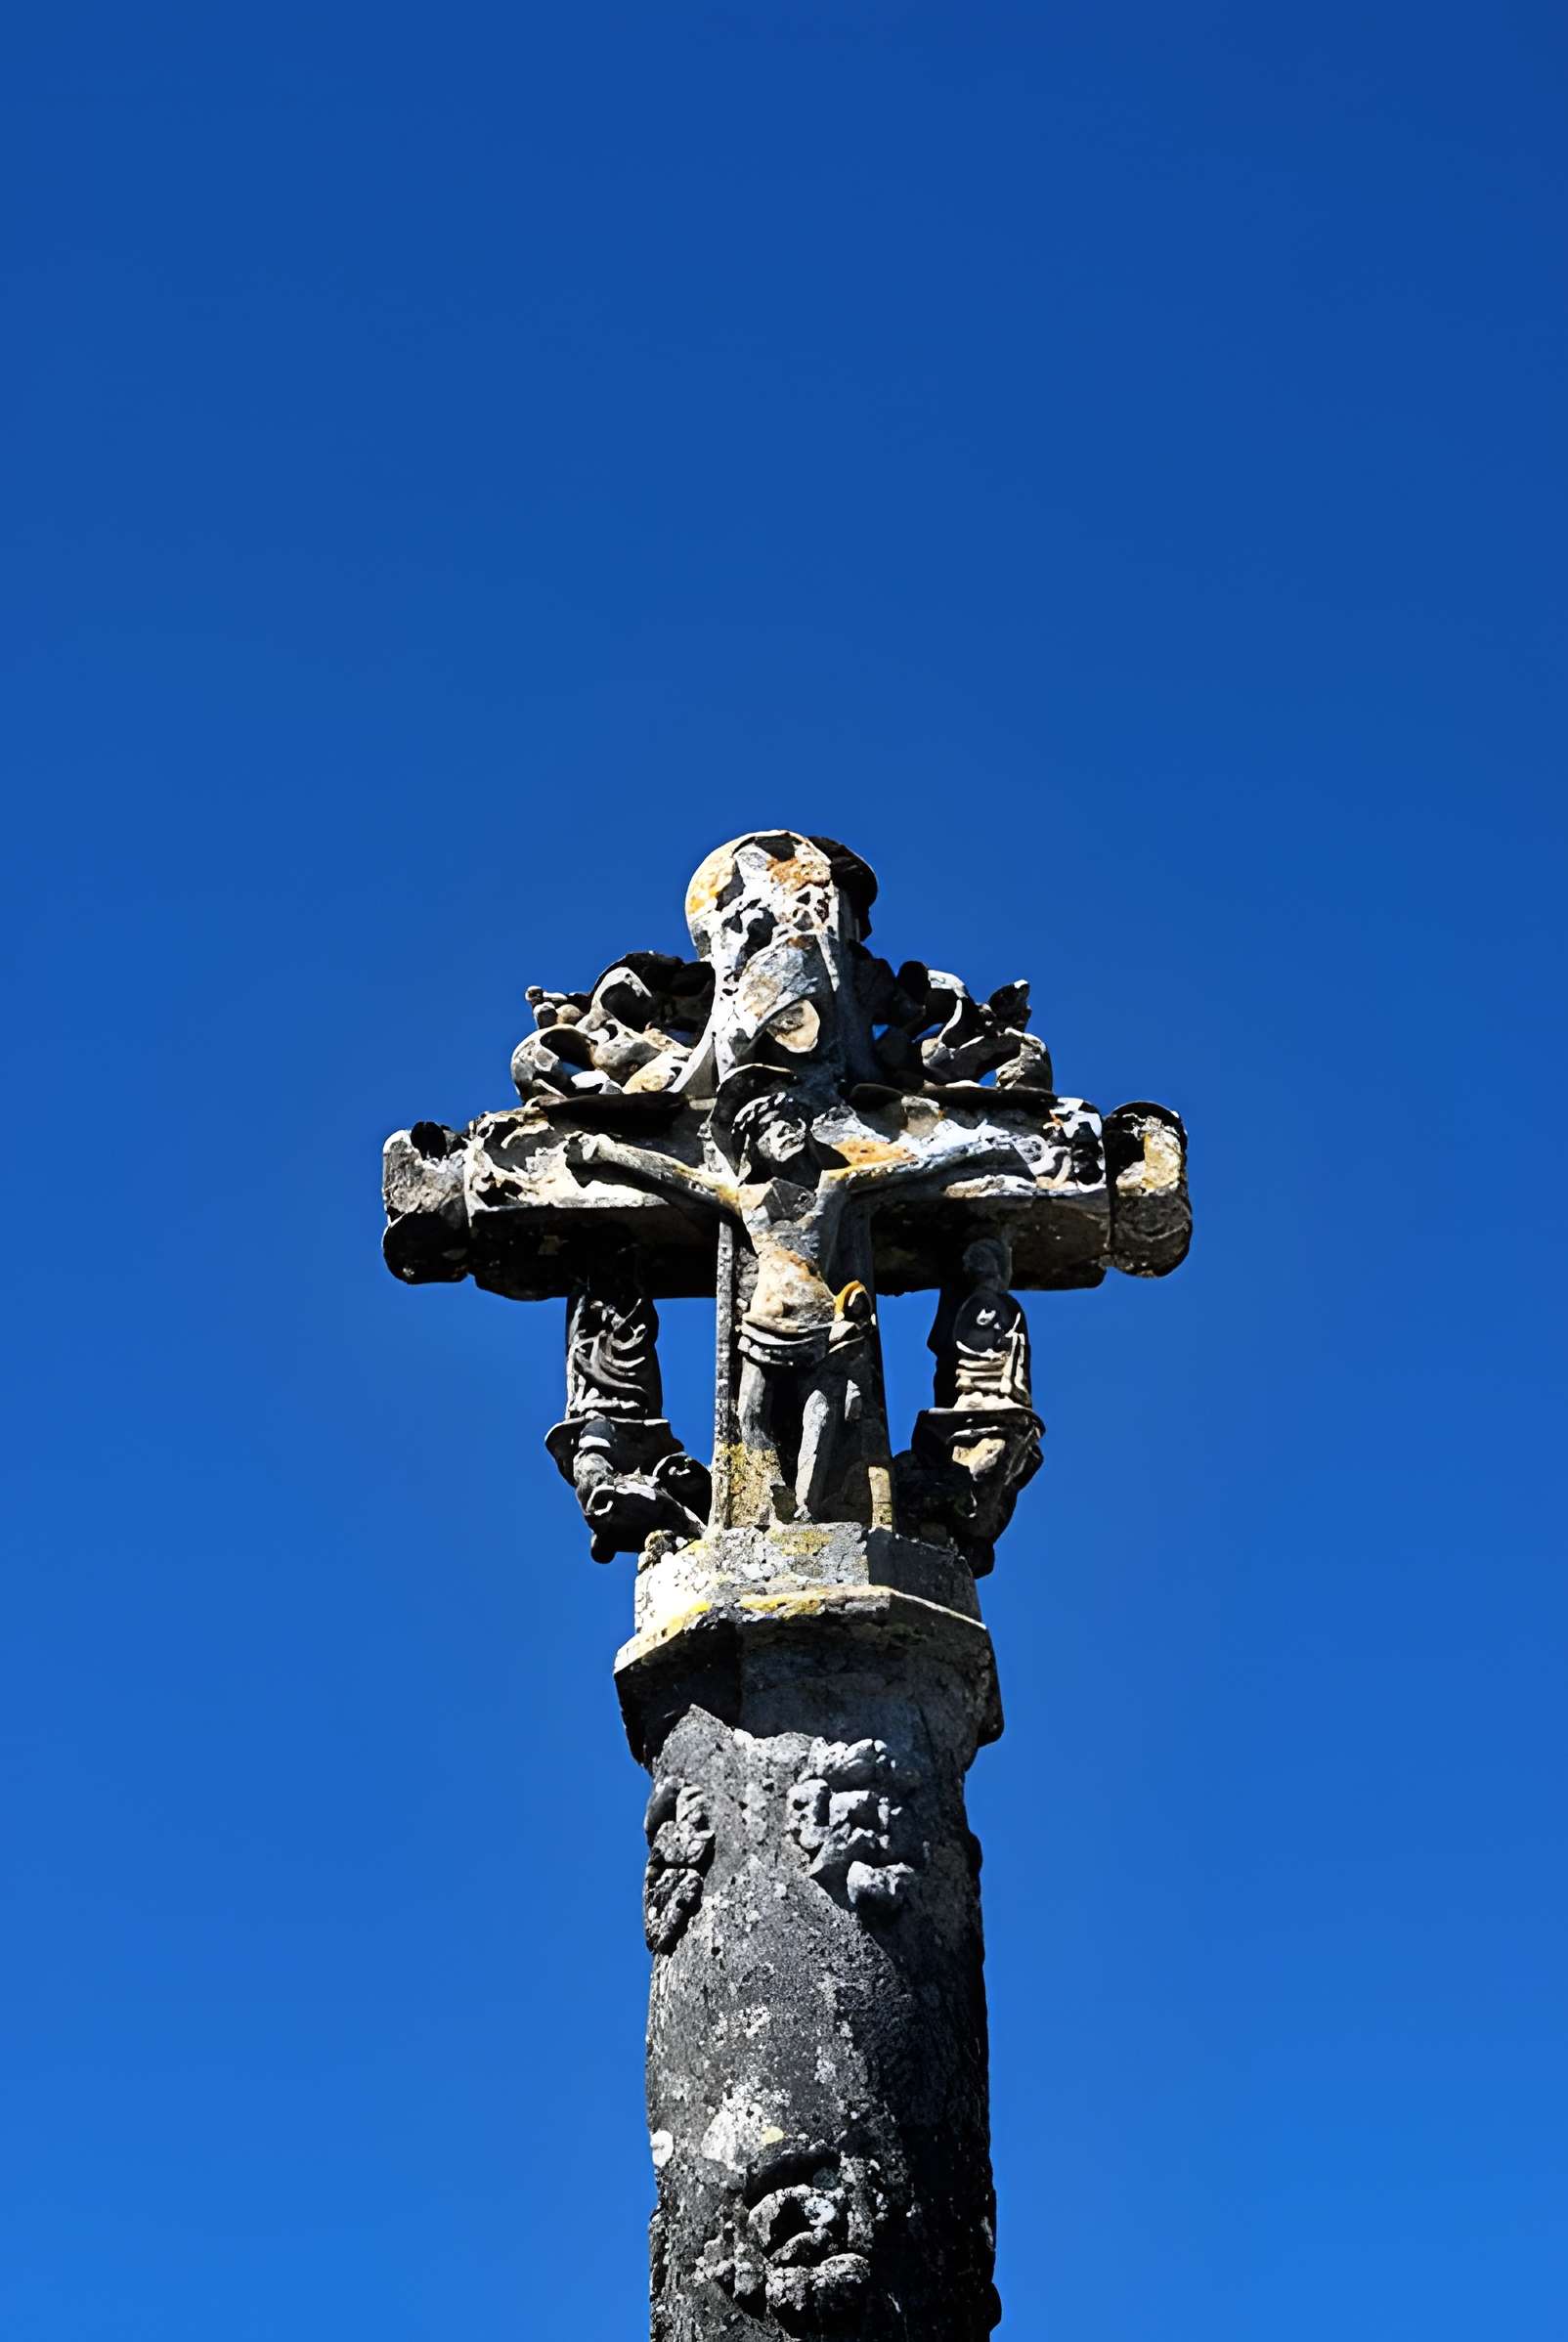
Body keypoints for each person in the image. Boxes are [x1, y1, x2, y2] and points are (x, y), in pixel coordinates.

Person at [567, 1086, 1024, 1519]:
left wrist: (974, 1149)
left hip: (824, 1322)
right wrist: (608, 1152)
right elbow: (680, 1178)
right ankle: (770, 1495)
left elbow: (906, 1168)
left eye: (793, 1123)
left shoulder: (832, 1188)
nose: (787, 1131)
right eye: (773, 1128)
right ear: (755, 1147)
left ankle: (806, 1504)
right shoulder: (746, 1197)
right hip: (765, 1322)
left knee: (819, 1421)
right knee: (750, 1414)